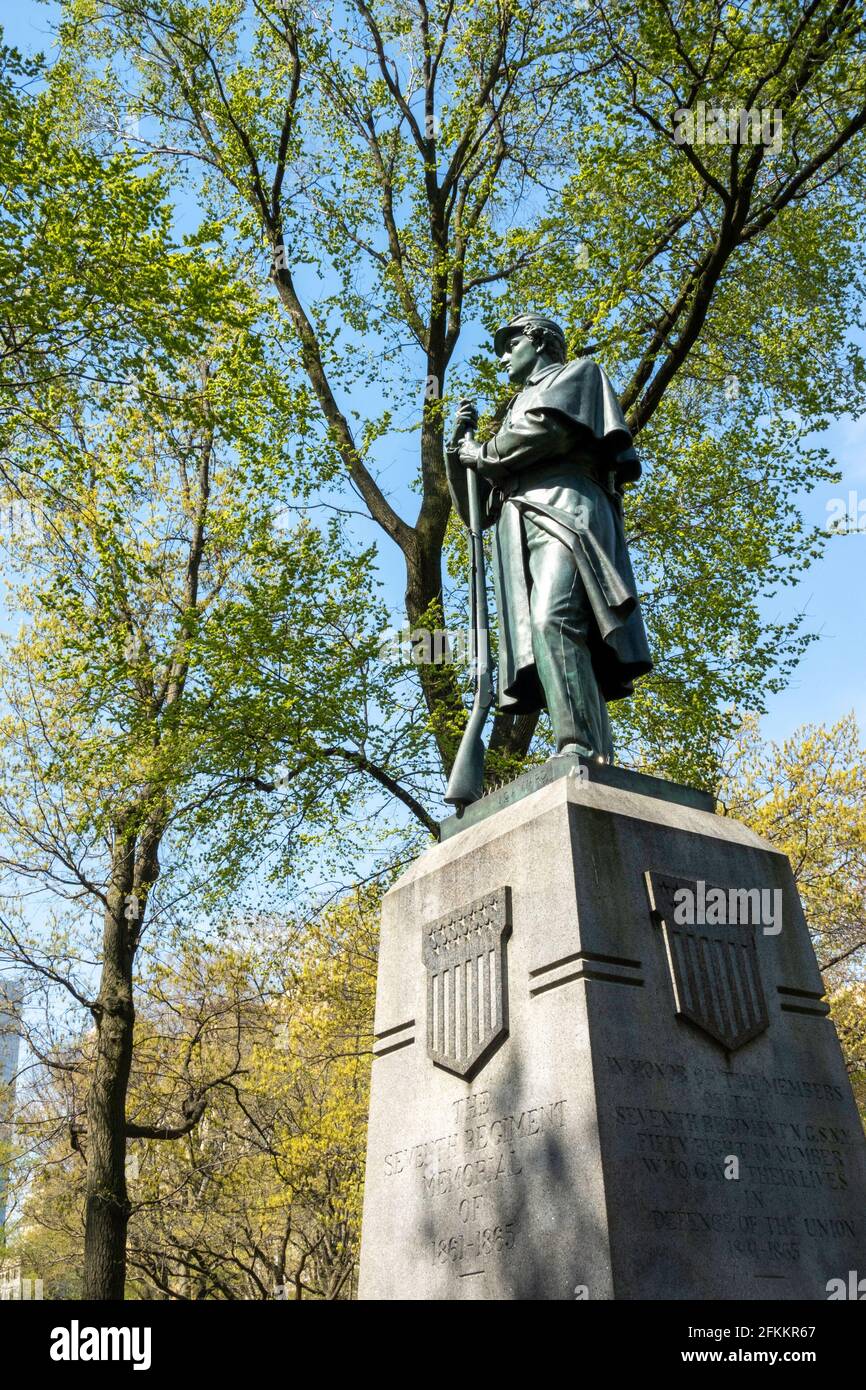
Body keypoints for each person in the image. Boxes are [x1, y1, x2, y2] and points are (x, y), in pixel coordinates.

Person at [445, 312, 652, 762]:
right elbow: (475, 510)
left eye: (509, 344)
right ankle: (597, 752)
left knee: (551, 619)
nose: (502, 357)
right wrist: (457, 454)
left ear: (537, 341)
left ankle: (575, 743)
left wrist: (480, 453)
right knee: (556, 635)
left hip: (567, 510)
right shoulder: (510, 414)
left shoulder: (578, 374)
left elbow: (548, 431)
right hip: (518, 524)